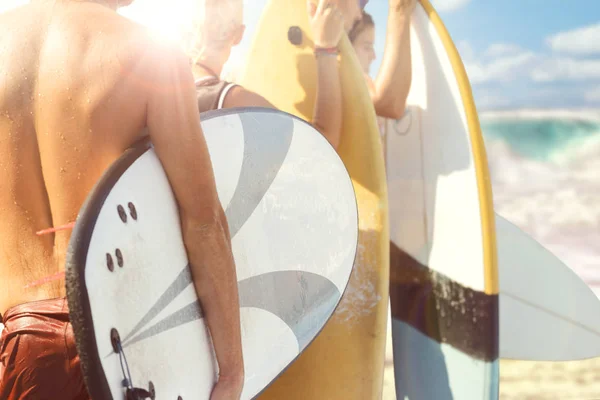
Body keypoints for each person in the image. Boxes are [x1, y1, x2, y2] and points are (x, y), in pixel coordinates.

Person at [0, 1, 243, 399]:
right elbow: (203, 222)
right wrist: (231, 371)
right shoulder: (149, 52)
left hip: (22, 353)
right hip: (124, 352)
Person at [187, 0, 346, 149]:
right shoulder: (230, 100)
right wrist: (326, 47)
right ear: (239, 34)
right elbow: (323, 145)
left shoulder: (170, 86)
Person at [349, 0, 415, 120]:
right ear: (347, 47)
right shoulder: (338, 68)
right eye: (367, 46)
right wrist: (400, 10)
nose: (373, 56)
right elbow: (389, 104)